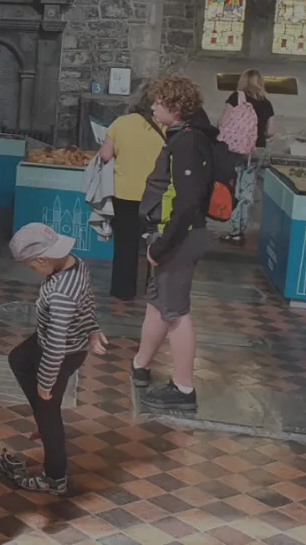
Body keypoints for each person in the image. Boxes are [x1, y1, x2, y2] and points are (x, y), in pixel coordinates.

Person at [0, 223, 107, 495]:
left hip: (61, 353)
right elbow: (85, 302)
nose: (32, 272)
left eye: (31, 267)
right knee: (18, 359)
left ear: (43, 259)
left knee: (48, 407)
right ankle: (45, 418)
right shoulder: (75, 264)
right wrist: (93, 328)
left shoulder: (61, 293)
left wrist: (46, 383)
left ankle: (54, 478)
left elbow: (55, 344)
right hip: (59, 344)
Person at [132, 76, 214, 412]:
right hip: (172, 234)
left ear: (177, 107)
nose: (152, 107)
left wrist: (161, 246)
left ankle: (183, 388)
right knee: (158, 304)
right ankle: (140, 365)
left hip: (179, 237)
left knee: (176, 313)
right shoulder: (182, 137)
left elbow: (186, 203)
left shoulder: (187, 143)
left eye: (159, 102)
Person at [99, 83, 165, 301]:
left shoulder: (121, 123)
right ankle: (154, 291)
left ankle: (122, 291)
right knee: (156, 242)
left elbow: (105, 155)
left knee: (125, 245)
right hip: (155, 195)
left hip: (125, 192)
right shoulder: (166, 125)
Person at [221, 69, 275, 245]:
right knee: (247, 190)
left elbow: (223, 122)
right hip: (255, 150)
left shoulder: (236, 98)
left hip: (236, 150)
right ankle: (241, 229)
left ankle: (235, 230)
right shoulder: (267, 103)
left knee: (234, 187)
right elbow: (270, 132)